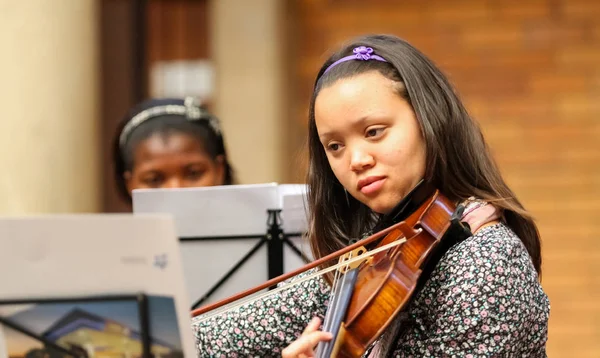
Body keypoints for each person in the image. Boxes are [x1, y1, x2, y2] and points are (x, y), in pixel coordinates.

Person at [191, 34, 549, 357]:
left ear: (430, 120)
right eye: (334, 146)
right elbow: (209, 340)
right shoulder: (379, 255)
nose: (356, 160)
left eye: (374, 132)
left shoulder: (486, 263)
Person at [112, 97, 235, 202]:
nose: (176, 190)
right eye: (154, 180)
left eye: (193, 174)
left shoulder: (253, 226)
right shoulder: (110, 231)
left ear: (219, 170)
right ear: (129, 184)